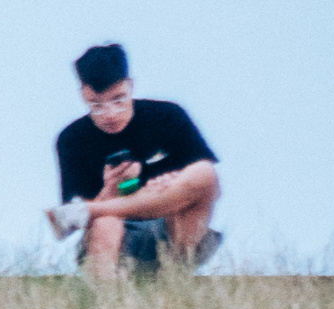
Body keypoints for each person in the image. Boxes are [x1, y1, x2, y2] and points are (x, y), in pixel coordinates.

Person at [48, 43, 222, 274]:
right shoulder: (72, 140)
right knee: (104, 221)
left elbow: (206, 186)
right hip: (112, 241)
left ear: (131, 86)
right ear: (83, 95)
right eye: (97, 106)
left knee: (205, 173)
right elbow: (79, 225)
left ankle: (173, 275)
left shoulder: (167, 117)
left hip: (173, 229)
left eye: (118, 100)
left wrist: (168, 185)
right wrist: (110, 189)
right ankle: (107, 303)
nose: (110, 114)